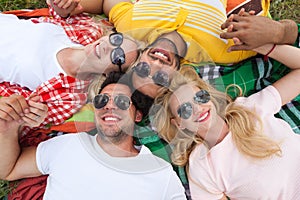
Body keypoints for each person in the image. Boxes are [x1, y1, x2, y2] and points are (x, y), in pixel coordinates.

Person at [0, 71, 187, 200]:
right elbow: (9, 169)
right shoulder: (68, 145)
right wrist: (8, 127)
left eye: (122, 101)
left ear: (137, 115)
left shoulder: (159, 173)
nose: (109, 105)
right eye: (102, 100)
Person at [152, 42, 300, 199]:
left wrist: (261, 46)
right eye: (185, 110)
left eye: (200, 97)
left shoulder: (250, 108)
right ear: (179, 123)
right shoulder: (202, 167)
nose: (197, 108)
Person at [0, 12, 141, 91]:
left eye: (117, 56)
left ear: (111, 74)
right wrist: (61, 6)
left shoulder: (68, 92)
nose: (107, 46)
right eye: (116, 40)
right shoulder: (88, 31)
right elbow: (60, 12)